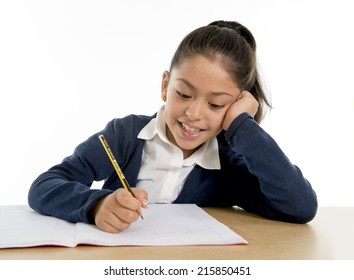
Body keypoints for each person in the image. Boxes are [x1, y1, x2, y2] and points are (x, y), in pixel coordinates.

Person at [28, 20, 317, 233]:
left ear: (235, 106)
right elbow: (43, 187)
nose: (193, 113)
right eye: (184, 94)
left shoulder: (229, 164)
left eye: (216, 105)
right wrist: (96, 205)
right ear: (166, 85)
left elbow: (299, 207)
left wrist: (243, 127)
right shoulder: (125, 135)